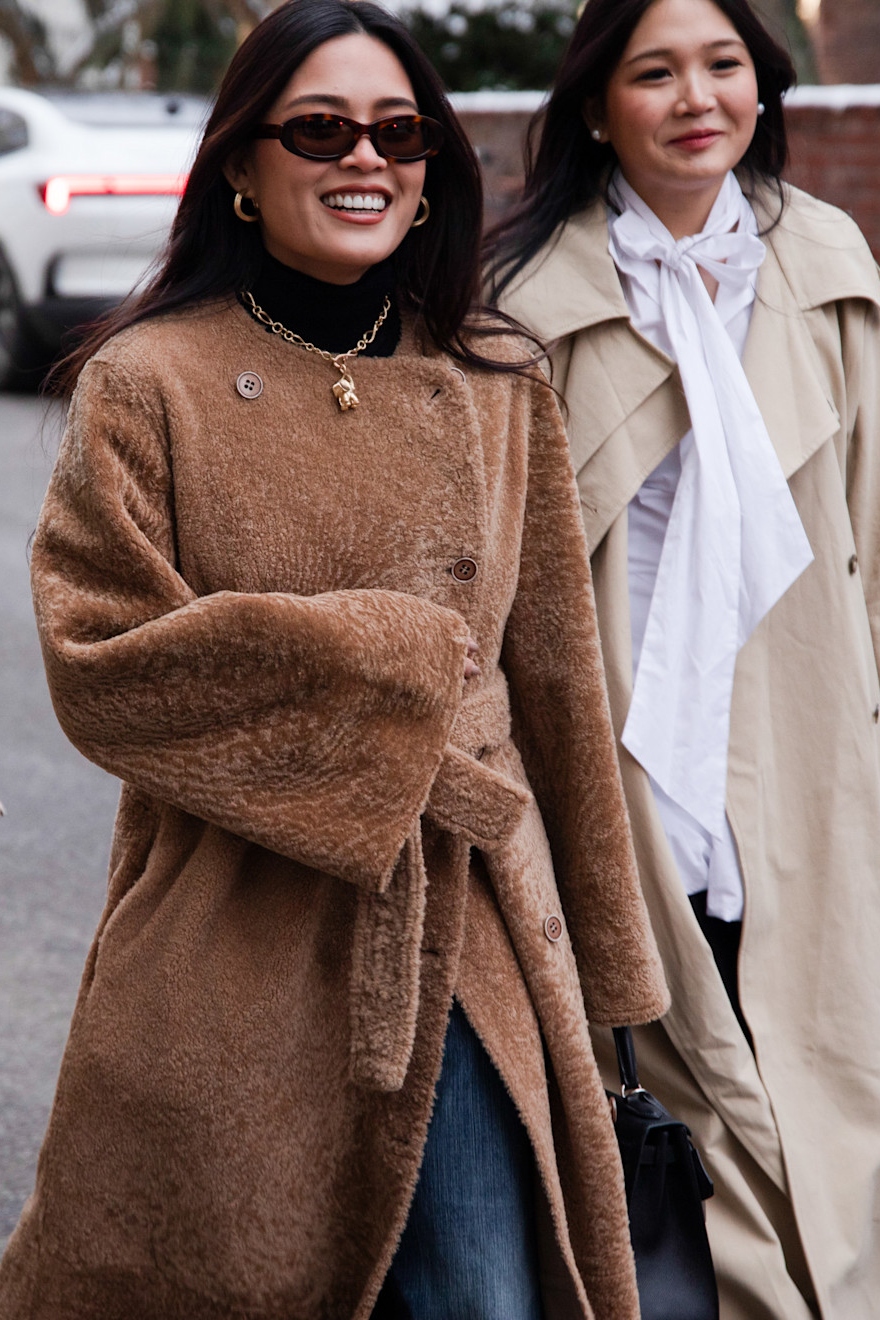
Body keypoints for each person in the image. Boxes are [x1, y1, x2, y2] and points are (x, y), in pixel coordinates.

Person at [0, 2, 670, 1318]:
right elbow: (103, 658)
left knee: (483, 1294)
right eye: (320, 128)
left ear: (429, 175)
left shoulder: (494, 379)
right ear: (243, 165)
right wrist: (385, 661)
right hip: (225, 943)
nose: (365, 158)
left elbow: (559, 684)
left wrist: (610, 969)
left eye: (398, 132)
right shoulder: (151, 381)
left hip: (469, 927)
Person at [488, 0, 880, 1315]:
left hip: (809, 737)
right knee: (683, 1072)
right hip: (627, 753)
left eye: (722, 66)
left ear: (763, 91)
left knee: (823, 1054)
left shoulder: (824, 262)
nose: (695, 97)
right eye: (655, 72)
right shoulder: (533, 307)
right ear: (600, 105)